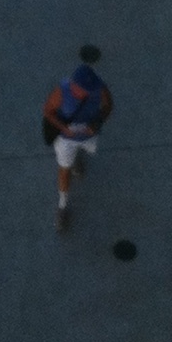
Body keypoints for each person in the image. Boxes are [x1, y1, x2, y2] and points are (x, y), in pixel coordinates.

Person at [43, 61, 114, 229]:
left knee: (77, 156)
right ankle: (62, 206)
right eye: (87, 90)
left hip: (88, 136)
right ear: (75, 87)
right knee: (64, 169)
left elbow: (108, 105)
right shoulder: (61, 92)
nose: (93, 92)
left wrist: (98, 122)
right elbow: (47, 112)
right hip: (66, 139)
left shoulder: (98, 87)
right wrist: (63, 129)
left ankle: (76, 159)